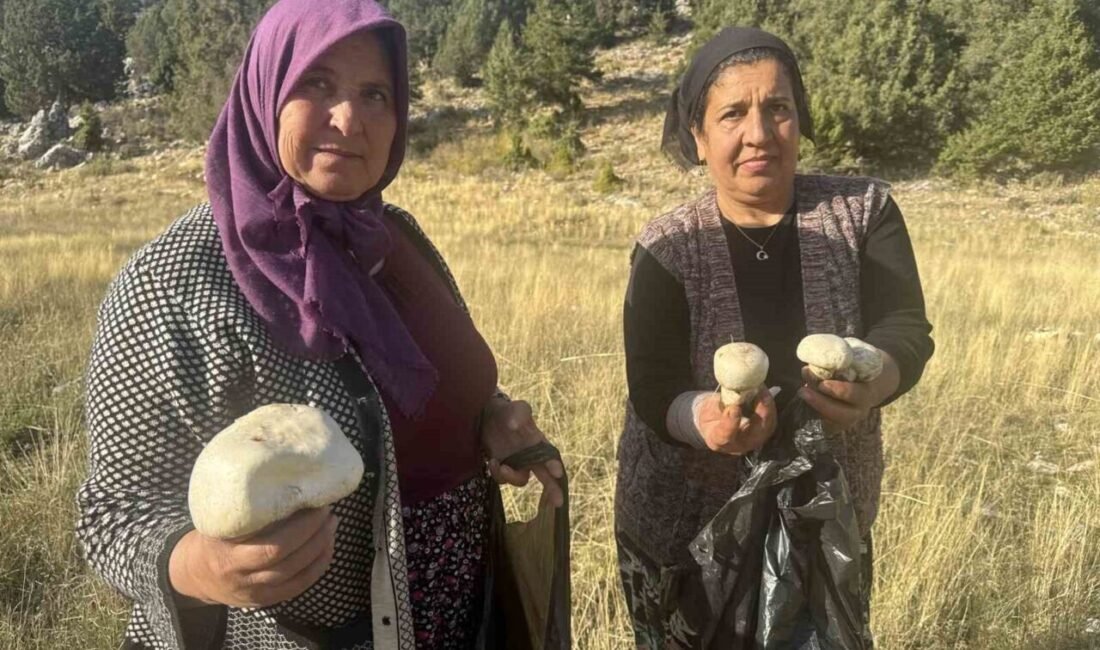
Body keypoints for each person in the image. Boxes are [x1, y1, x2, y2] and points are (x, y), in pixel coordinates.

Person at [75, 1, 562, 648]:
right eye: (318, 83)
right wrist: (200, 568)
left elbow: (428, 383)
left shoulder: (395, 238)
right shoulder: (175, 281)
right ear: (266, 91)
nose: (349, 118)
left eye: (375, 94)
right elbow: (112, 518)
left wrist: (489, 417)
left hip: (465, 605)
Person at [614, 26, 934, 648]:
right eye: (733, 113)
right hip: (686, 535)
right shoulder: (667, 245)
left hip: (826, 526)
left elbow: (906, 328)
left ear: (800, 119)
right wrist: (705, 420)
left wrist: (874, 384)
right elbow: (652, 385)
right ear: (699, 137)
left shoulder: (863, 212)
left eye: (778, 108)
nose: (759, 133)